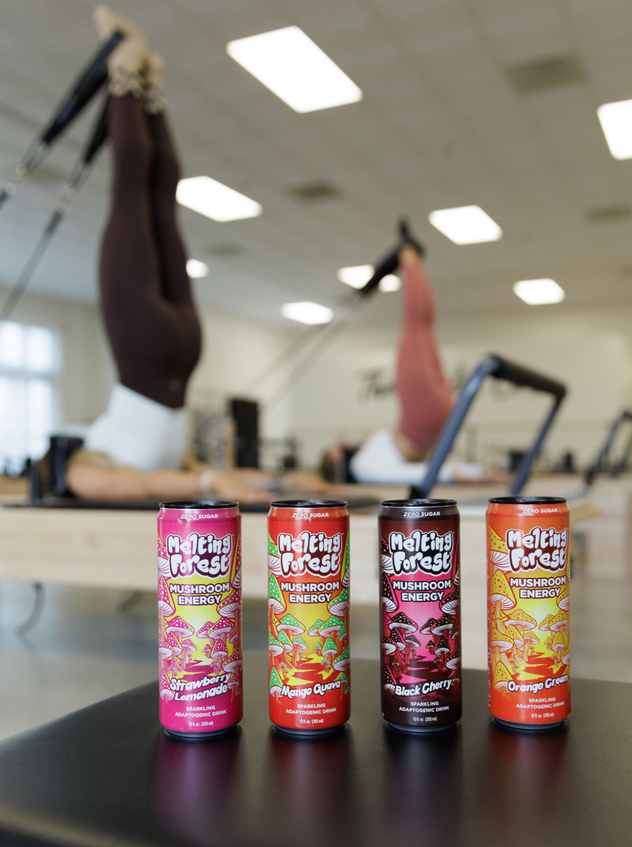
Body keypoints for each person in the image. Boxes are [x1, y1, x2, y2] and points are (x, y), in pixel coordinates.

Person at [67, 10, 322, 503]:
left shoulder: (90, 469)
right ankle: (129, 77)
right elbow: (187, 479)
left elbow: (154, 483)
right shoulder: (119, 460)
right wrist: (271, 483)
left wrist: (257, 482)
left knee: (158, 204)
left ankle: (147, 84)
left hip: (177, 346)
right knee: (139, 200)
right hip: (147, 346)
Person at [348, 238, 484, 485]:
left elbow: (425, 470)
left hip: (430, 418)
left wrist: (474, 472)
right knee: (417, 324)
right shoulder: (363, 466)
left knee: (423, 325)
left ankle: (411, 260)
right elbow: (425, 471)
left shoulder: (366, 461)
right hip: (424, 415)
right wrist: (464, 473)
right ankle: (409, 257)